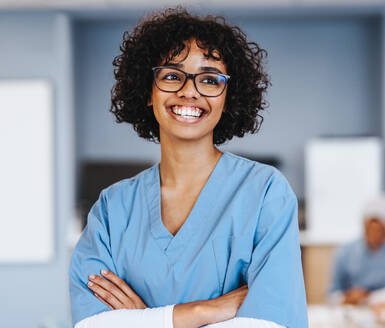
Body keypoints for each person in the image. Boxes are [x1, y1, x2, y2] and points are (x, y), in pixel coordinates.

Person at [69, 7, 308, 328]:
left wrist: (144, 320)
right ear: (147, 91)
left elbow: (267, 323)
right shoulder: (113, 209)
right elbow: (91, 325)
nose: (189, 90)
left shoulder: (265, 192)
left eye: (210, 79)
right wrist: (201, 312)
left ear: (228, 97)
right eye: (171, 75)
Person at [329, 195, 385, 305]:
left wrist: (369, 297)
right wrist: (346, 298)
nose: (375, 235)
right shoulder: (345, 252)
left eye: (380, 230)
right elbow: (332, 294)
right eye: (370, 229)